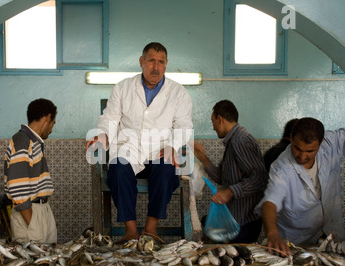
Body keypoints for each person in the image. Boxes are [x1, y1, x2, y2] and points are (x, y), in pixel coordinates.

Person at [86, 42, 193, 242]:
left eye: (161, 62)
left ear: (166, 64)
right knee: (117, 167)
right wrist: (103, 135)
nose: (156, 66)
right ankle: (131, 230)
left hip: (159, 150)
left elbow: (184, 125)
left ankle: (151, 228)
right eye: (151, 60)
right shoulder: (123, 87)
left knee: (167, 168)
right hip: (130, 149)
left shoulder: (178, 92)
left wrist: (172, 146)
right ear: (141, 61)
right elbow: (110, 118)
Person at [257, 118, 345, 256]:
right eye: (297, 148)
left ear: (320, 143)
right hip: (297, 242)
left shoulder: (332, 143)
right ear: (291, 138)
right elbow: (270, 202)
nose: (302, 156)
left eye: (310, 151)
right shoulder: (281, 167)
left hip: (332, 234)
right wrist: (272, 233)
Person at [194, 100, 268, 243]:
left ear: (220, 119)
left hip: (245, 221)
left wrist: (229, 192)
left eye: (213, 122)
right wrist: (204, 159)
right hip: (235, 219)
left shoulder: (240, 141)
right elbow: (223, 178)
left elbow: (260, 179)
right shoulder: (232, 142)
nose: (213, 127)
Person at [4, 98, 58, 244]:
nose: (52, 128)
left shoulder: (33, 141)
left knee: (48, 261)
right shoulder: (22, 140)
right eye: (53, 122)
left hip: (40, 210)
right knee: (33, 262)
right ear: (47, 117)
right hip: (30, 214)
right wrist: (32, 222)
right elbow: (17, 186)